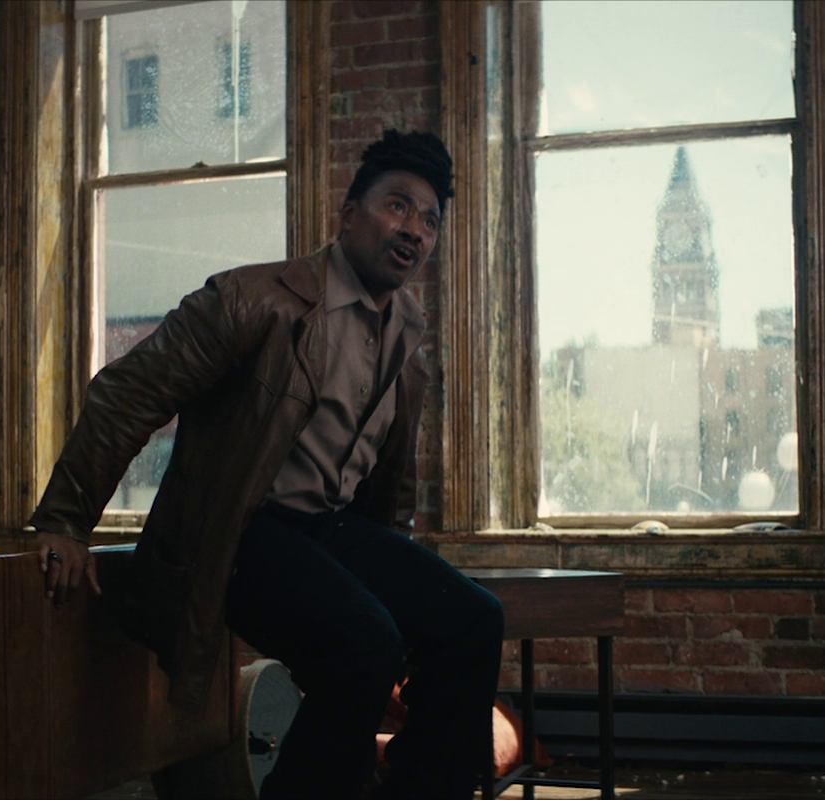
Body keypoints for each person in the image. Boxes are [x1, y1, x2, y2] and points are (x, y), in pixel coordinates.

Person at [28, 129, 504, 799]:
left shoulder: (406, 334)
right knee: (365, 645)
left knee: (474, 619)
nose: (414, 230)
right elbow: (128, 392)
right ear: (348, 214)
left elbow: (388, 484)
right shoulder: (252, 300)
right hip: (237, 531)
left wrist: (388, 579)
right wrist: (65, 520)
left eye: (429, 220)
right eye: (397, 205)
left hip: (329, 530)